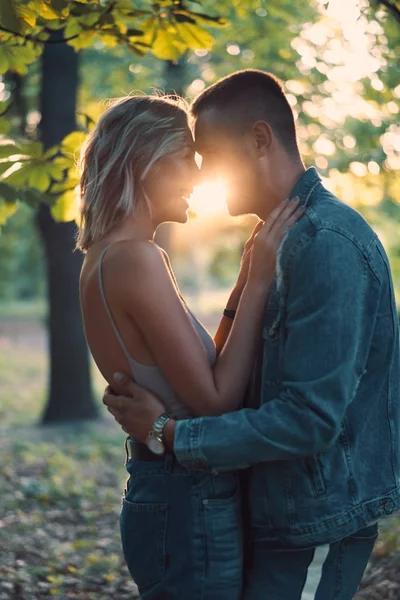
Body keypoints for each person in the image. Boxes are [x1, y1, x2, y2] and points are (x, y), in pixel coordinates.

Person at [104, 70, 400, 600]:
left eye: (211, 154)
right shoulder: (281, 240)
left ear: (260, 140)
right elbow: (240, 381)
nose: (202, 175)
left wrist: (168, 433)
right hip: (277, 514)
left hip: (315, 522)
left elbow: (308, 421)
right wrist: (247, 286)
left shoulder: (326, 243)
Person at [77, 92, 304, 600]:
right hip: (187, 498)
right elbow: (216, 399)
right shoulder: (137, 260)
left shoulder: (103, 256)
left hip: (167, 491)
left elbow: (199, 372)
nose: (198, 178)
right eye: (185, 161)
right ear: (145, 162)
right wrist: (263, 281)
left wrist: (242, 286)